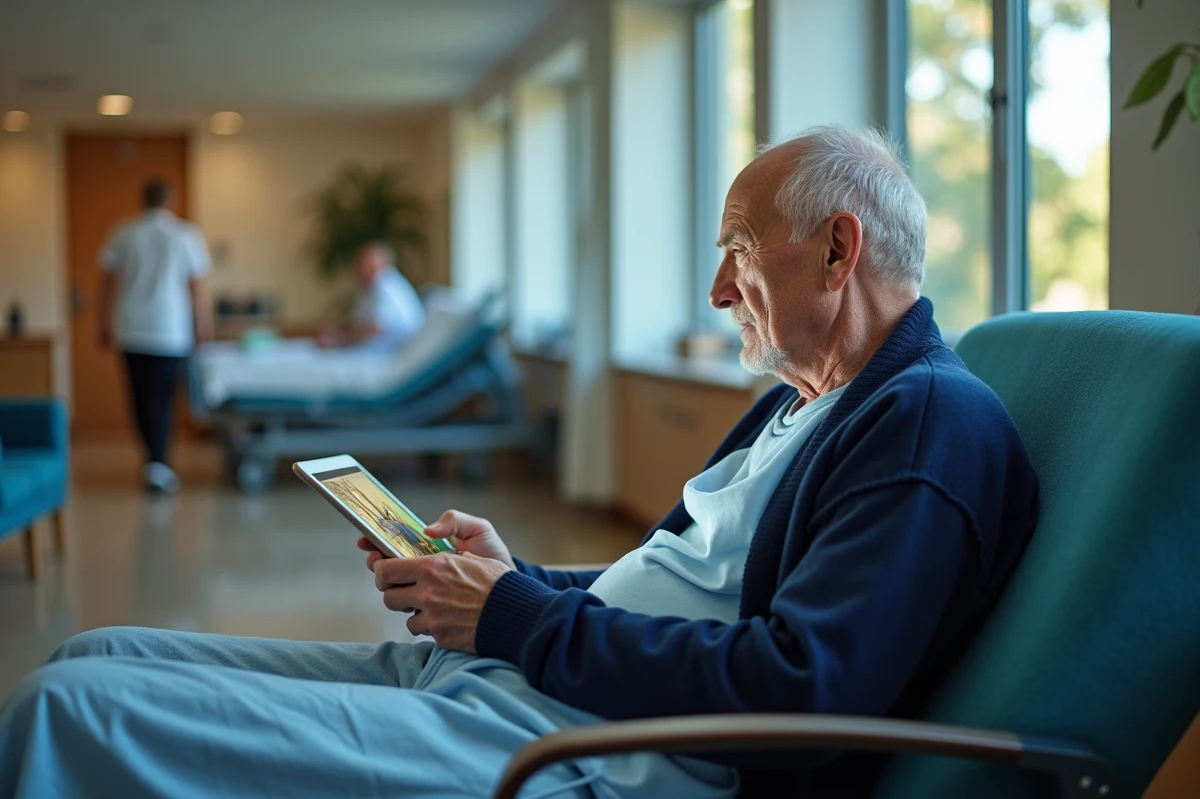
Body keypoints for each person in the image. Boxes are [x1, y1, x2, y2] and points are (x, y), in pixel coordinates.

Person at [0, 127, 1038, 797]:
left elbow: (801, 691)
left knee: (66, 713)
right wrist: (515, 579)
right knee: (91, 653)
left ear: (836, 251)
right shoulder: (806, 403)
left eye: (736, 249)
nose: (721, 291)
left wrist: (514, 617)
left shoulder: (923, 426)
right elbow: (680, 591)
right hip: (517, 683)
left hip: (578, 752)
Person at [97, 178, 212, 493]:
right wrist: (202, 326)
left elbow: (107, 283)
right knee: (162, 399)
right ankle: (158, 463)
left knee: (138, 398)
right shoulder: (185, 234)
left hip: (131, 329)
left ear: (142, 201)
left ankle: (153, 461)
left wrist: (101, 324)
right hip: (171, 332)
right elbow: (196, 288)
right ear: (171, 201)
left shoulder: (123, 233)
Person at [315, 241, 424, 349]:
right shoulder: (372, 286)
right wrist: (338, 334)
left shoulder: (385, 285)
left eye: (364, 262)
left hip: (386, 353)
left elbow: (374, 329)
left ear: (382, 263)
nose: (358, 267)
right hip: (378, 351)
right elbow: (360, 323)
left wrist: (339, 341)